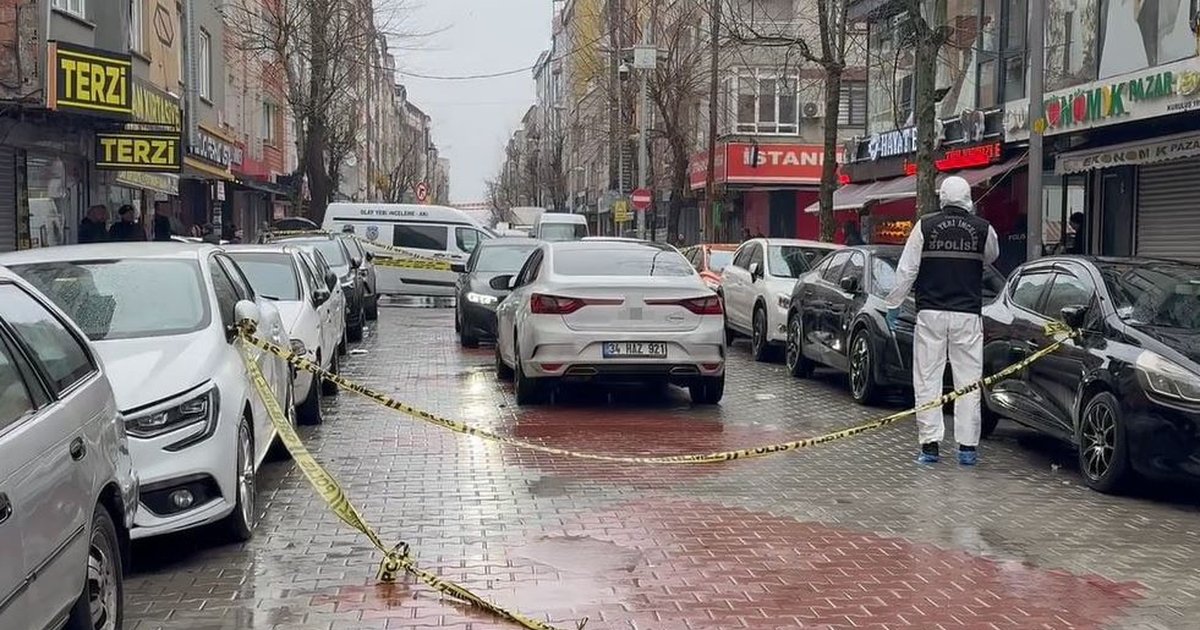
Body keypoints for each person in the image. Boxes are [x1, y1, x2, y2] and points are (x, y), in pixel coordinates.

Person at [882, 176, 999, 467]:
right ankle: (967, 448)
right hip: (968, 315)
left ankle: (930, 446)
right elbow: (992, 256)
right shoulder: (983, 229)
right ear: (968, 197)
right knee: (968, 381)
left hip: (930, 313)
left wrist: (893, 305)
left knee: (928, 378)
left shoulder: (925, 225)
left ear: (943, 197)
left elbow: (907, 270)